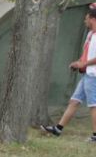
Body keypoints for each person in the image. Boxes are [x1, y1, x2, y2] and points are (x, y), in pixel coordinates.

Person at [41, 8, 96, 142]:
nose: (85, 21)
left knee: (93, 105)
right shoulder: (90, 35)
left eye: (86, 18)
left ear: (93, 19)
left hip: (93, 75)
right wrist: (78, 63)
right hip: (86, 74)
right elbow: (87, 54)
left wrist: (84, 64)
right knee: (74, 101)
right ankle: (58, 129)